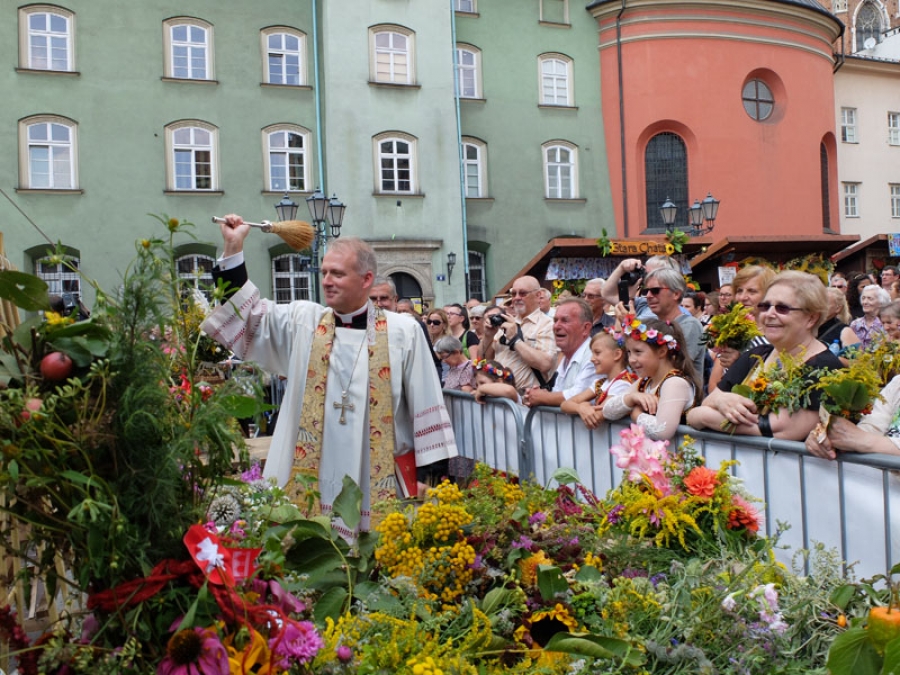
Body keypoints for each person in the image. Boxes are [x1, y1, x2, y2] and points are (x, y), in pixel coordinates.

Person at [201, 215, 457, 537]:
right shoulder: (303, 322)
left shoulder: (404, 332)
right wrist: (233, 247)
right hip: (313, 473)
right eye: (324, 272)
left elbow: (425, 404)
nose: (327, 281)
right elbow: (247, 316)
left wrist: (426, 474)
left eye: (337, 273)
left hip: (377, 476)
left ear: (366, 279)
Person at [686, 271, 842, 441]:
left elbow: (784, 429)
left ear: (811, 318)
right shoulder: (755, 356)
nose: (769, 314)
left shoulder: (825, 367)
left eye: (782, 308)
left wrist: (705, 416)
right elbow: (700, 408)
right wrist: (721, 401)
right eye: (765, 306)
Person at [602, 318, 699, 441]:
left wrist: (636, 414)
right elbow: (607, 411)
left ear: (662, 351)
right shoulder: (645, 381)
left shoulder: (675, 383)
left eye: (638, 352)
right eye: (629, 352)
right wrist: (631, 398)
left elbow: (662, 431)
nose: (631, 359)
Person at [482, 276, 557, 394]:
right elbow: (487, 359)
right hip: (499, 394)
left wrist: (515, 340)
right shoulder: (506, 323)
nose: (516, 298)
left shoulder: (547, 325)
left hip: (526, 400)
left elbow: (545, 364)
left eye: (522, 293)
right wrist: (488, 337)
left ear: (538, 296)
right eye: (513, 294)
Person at [706, 265, 775, 392]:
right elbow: (714, 384)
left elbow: (773, 385)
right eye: (739, 291)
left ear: (769, 294)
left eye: (752, 291)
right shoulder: (735, 328)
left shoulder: (777, 334)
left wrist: (739, 364)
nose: (742, 297)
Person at [524, 298, 600, 408]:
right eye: (555, 320)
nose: (556, 326)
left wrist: (542, 397)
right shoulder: (566, 356)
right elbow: (560, 392)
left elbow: (579, 394)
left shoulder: (594, 355)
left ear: (585, 328)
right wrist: (538, 395)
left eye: (565, 320)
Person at [637, 267, 705, 390]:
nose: (648, 296)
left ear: (676, 294)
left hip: (680, 400)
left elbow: (675, 366)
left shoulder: (690, 325)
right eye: (646, 291)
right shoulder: (653, 326)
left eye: (655, 291)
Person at [806, 372, 900, 459]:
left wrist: (866, 441)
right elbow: (874, 425)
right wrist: (832, 437)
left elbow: (863, 439)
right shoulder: (897, 384)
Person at [560, 330, 635, 429]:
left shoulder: (623, 384)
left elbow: (598, 415)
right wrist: (579, 407)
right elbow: (564, 404)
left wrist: (582, 406)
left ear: (617, 355)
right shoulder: (600, 383)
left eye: (597, 353)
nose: (591, 359)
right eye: (592, 353)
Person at [599, 255, 681, 320]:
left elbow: (636, 332)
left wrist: (627, 320)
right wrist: (621, 268)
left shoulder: (666, 312)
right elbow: (607, 295)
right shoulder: (645, 303)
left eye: (650, 274)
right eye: (644, 273)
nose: (645, 277)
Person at [817, 287, 860, 358]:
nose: (820, 306)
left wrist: (829, 360)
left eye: (825, 303)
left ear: (838, 308)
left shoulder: (844, 331)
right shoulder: (808, 326)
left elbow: (856, 362)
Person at [850, 284, 890, 350]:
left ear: (881, 302)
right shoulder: (855, 324)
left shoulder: (887, 325)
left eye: (870, 298)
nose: (865, 302)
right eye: (863, 298)